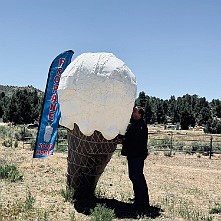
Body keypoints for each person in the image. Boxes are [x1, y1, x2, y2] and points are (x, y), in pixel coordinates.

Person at [118, 106, 149, 209]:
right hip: (134, 154)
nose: (133, 113)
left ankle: (142, 201)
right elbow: (129, 136)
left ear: (140, 114)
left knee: (137, 176)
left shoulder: (141, 126)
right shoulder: (134, 124)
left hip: (137, 154)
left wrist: (123, 141)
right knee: (134, 176)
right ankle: (139, 198)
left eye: (135, 111)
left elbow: (135, 141)